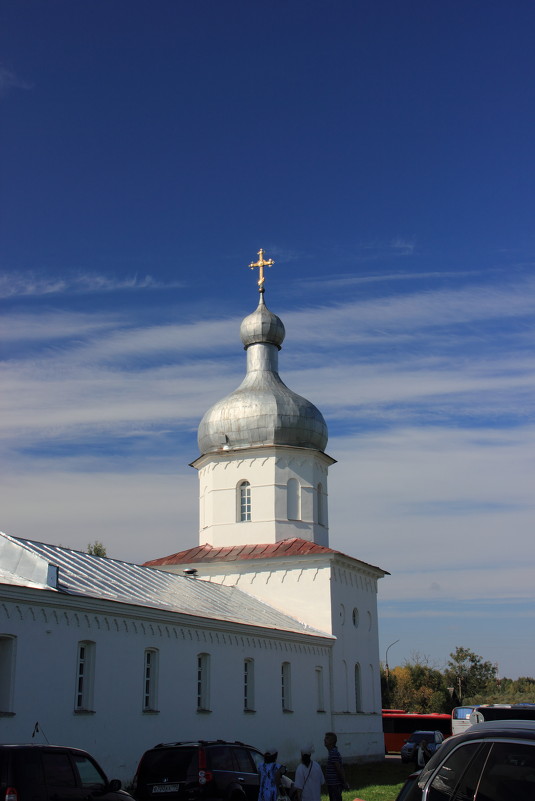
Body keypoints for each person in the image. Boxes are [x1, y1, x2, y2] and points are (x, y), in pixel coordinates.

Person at [323, 732, 348, 801]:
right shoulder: (332, 752)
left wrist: (344, 781)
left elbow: (339, 768)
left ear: (332, 741)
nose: (324, 740)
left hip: (335, 784)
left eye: (327, 738)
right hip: (332, 784)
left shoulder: (333, 753)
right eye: (325, 738)